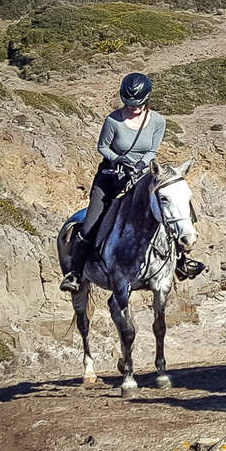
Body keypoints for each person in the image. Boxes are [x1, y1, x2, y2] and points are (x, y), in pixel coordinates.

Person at [62, 73, 204, 290]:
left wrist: (140, 165)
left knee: (174, 209)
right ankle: (75, 274)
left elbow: (153, 150)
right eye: (128, 104)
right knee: (89, 226)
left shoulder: (158, 121)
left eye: (137, 105)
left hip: (142, 177)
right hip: (111, 178)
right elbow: (103, 147)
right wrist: (119, 159)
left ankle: (182, 262)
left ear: (147, 99)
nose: (132, 108)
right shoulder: (113, 121)